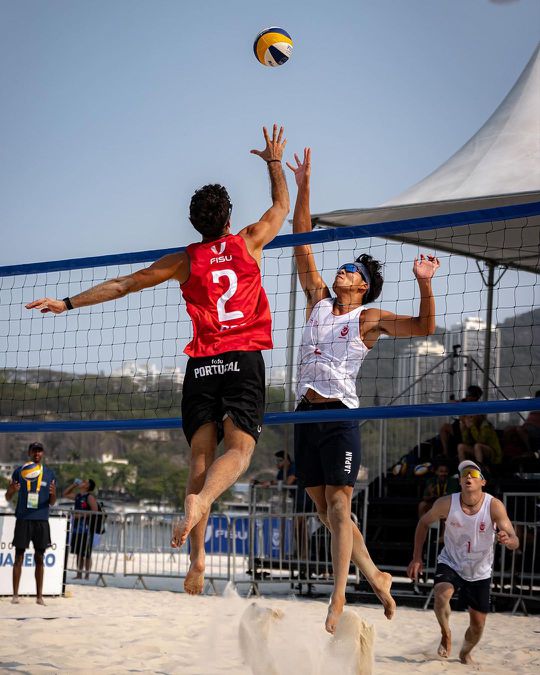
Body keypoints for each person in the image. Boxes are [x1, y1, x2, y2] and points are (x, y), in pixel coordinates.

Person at [26, 125, 289, 595]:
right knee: (241, 451)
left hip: (203, 363)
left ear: (195, 223)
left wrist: (66, 304)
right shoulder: (249, 240)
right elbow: (282, 207)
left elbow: (125, 284)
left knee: (199, 459)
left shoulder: (184, 260)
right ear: (228, 219)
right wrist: (273, 161)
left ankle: (198, 560)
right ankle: (203, 503)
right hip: (242, 355)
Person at [287, 148, 440, 633]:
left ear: (364, 286)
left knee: (338, 507)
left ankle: (337, 599)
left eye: (354, 270)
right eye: (345, 266)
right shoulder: (317, 298)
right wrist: (304, 183)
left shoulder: (367, 318)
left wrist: (424, 283)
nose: (344, 270)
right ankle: (375, 574)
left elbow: (423, 326)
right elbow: (301, 239)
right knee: (323, 510)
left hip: (339, 417)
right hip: (304, 415)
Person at [407, 460, 519, 665]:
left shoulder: (493, 505)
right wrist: (416, 557)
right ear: (459, 481)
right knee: (442, 594)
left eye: (474, 474)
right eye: (465, 474)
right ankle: (445, 634)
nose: (469, 477)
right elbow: (423, 523)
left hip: (480, 570)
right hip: (451, 561)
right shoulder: (446, 503)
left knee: (477, 626)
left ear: (482, 482)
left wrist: (507, 539)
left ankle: (464, 653)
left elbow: (514, 540)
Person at [4, 442, 57, 605]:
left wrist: (54, 494)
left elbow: (52, 502)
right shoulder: (19, 472)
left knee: (40, 558)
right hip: (23, 518)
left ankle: (39, 597)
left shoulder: (49, 473)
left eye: (39, 450)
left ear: (43, 453)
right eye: (34, 450)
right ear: (29, 453)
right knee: (18, 556)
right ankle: (15, 595)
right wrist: (12, 490)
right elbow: (7, 497)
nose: (37, 453)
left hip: (41, 519)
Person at [63, 478, 99, 579]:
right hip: (76, 529)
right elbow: (65, 494)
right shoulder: (78, 496)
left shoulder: (89, 497)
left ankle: (87, 575)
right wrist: (74, 485)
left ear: (87, 486)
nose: (82, 482)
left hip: (86, 529)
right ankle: (79, 574)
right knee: (78, 553)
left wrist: (82, 515)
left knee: (86, 553)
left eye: (85, 482)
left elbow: (95, 511)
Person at [439, 385, 483, 458]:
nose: (467, 396)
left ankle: (463, 451)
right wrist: (452, 401)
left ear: (475, 397)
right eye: (467, 394)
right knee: (444, 427)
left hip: (471, 431)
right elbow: (451, 402)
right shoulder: (464, 401)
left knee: (463, 424)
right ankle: (445, 452)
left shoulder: (478, 407)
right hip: (460, 428)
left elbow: (474, 423)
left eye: (470, 395)